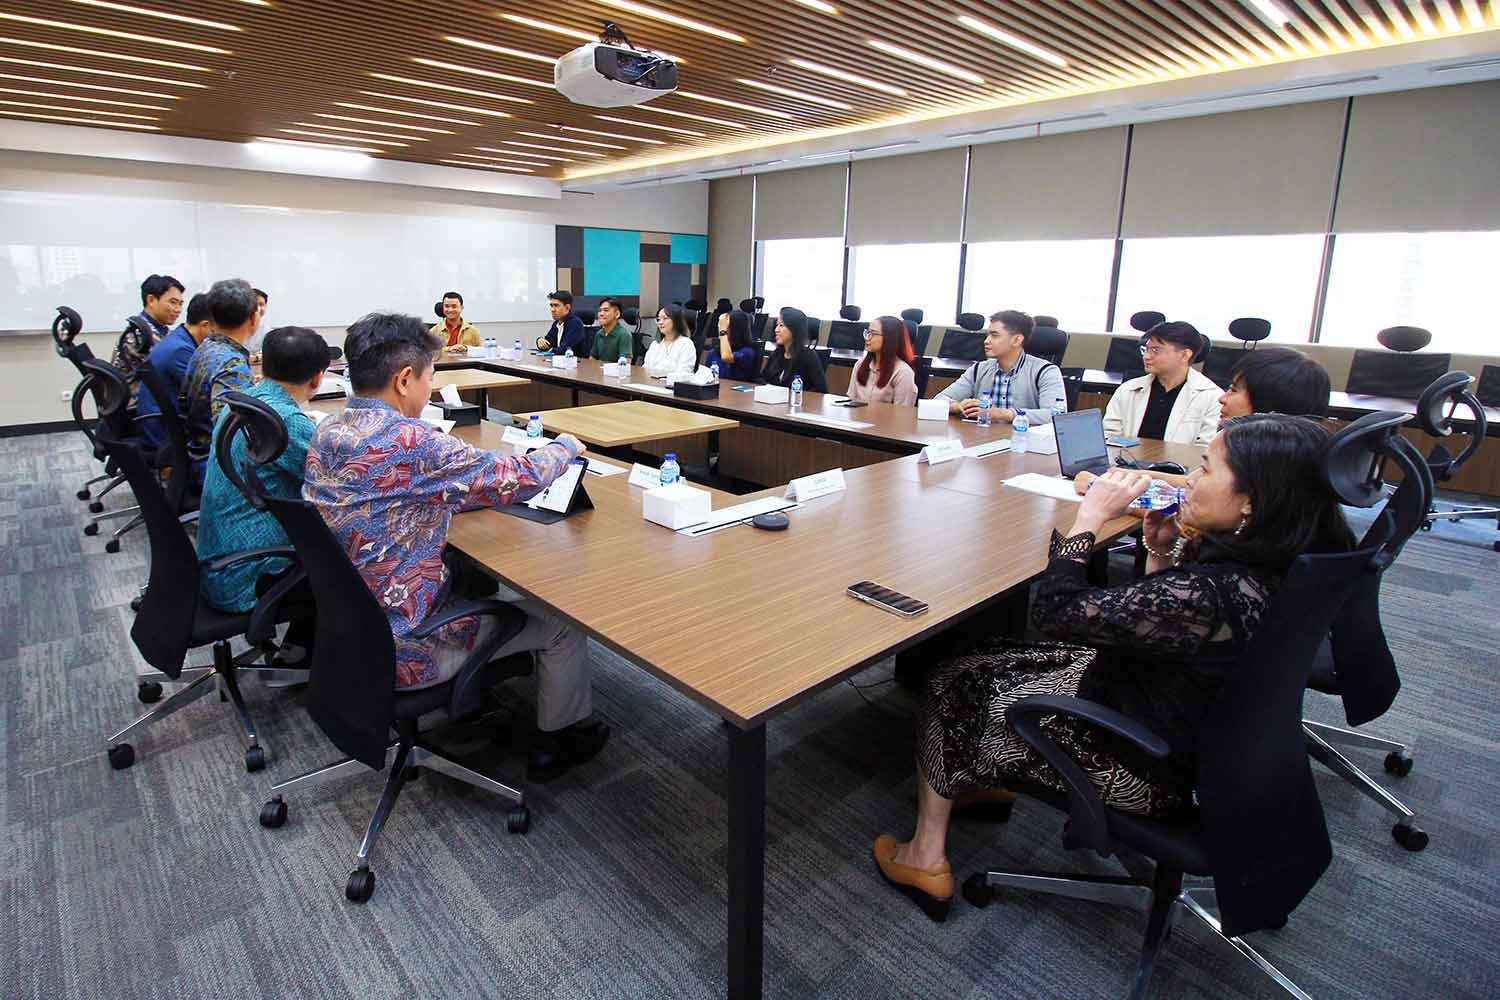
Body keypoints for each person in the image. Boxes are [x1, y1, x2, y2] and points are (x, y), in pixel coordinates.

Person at [873, 415, 1353, 920]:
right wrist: (1160, 554)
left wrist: (1090, 518)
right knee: (985, 654)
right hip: (1188, 729)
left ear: (1252, 501)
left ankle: (924, 856)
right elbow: (1165, 632)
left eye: (1207, 469)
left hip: (1144, 765)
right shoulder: (1281, 566)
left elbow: (1055, 613)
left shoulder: (1214, 594)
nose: (1190, 480)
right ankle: (974, 776)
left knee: (951, 679)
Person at [303, 312, 609, 780]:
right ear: (405, 379)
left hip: (351, 630)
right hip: (408, 644)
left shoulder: (329, 430)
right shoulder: (410, 440)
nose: (430, 389)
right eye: (430, 378)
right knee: (561, 624)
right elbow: (518, 476)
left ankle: (473, 702)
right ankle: (561, 739)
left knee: (474, 575)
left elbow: (392, 493)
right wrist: (564, 447)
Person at [197, 326, 330, 664]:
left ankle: (300, 649)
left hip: (220, 558)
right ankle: (316, 660)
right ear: (318, 378)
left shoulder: (244, 402)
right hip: (248, 574)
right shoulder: (287, 421)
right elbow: (342, 484)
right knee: (352, 561)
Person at [1075, 347, 1333, 495]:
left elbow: (1186, 501)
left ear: (1267, 400)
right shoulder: (1299, 451)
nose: (1222, 398)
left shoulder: (1256, 458)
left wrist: (1099, 485)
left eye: (1233, 390)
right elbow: (1190, 482)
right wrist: (1127, 474)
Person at [181, 278, 259, 481]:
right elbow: (235, 436)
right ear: (253, 318)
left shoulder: (207, 347)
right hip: (216, 468)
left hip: (196, 450)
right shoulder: (231, 364)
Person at [1102, 321, 1221, 445]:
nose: (1146, 356)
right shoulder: (1128, 390)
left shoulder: (1212, 397)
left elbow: (1206, 447)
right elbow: (1109, 435)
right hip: (1128, 457)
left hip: (1182, 458)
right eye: (1145, 349)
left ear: (1185, 355)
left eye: (1155, 350)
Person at [937, 309, 1066, 424]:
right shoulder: (978, 369)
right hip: (982, 438)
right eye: (987, 335)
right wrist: (957, 406)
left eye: (994, 335)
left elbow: (1055, 415)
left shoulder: (1046, 371)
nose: (986, 341)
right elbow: (939, 400)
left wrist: (1005, 414)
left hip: (1024, 440)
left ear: (1017, 340)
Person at [136, 292, 214, 449]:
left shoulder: (180, 338)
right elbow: (207, 395)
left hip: (166, 420)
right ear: (205, 325)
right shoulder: (181, 351)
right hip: (166, 432)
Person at [114, 274, 185, 404]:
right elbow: (168, 369)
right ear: (151, 300)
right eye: (173, 302)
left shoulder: (159, 329)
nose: (178, 309)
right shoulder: (140, 334)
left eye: (181, 304)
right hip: (140, 403)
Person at [848, 315, 919, 405]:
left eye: (873, 334)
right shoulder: (859, 364)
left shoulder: (903, 372)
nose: (867, 338)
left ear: (890, 338)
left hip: (888, 415)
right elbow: (851, 401)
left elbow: (902, 411)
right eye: (868, 332)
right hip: (857, 414)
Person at [760, 306, 828, 393]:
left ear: (794, 329)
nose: (776, 330)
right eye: (777, 325)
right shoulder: (777, 353)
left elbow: (821, 390)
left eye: (781, 325)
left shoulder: (808, 356)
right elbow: (763, 379)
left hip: (798, 400)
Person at [642, 304, 698, 375]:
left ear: (676, 321)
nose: (660, 322)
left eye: (665, 318)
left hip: (673, 382)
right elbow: (645, 368)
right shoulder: (655, 344)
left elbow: (684, 372)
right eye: (658, 319)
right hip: (650, 381)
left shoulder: (686, 344)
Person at [711, 308, 760, 382]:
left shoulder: (748, 352)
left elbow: (726, 357)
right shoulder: (714, 352)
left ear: (736, 329)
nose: (720, 328)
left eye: (725, 326)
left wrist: (723, 332)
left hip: (739, 388)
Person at [537, 290, 587, 356]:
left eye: (556, 305)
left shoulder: (575, 324)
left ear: (567, 308)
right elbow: (548, 343)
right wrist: (540, 340)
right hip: (559, 361)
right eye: (551, 305)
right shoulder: (556, 324)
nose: (552, 309)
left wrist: (550, 351)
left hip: (576, 361)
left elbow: (564, 349)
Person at [590, 297, 633, 364]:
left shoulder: (624, 335)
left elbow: (626, 363)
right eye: (600, 311)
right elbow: (593, 358)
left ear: (617, 314)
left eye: (606, 310)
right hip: (599, 370)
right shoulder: (599, 334)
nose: (601, 314)